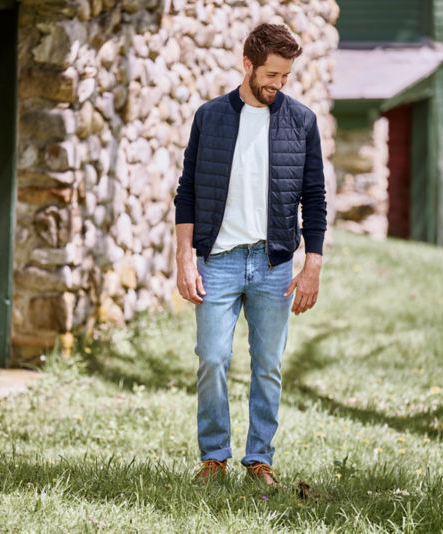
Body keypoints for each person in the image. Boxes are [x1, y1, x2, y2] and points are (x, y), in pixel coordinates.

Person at [173, 23, 327, 486]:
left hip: (273, 264)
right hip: (217, 260)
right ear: (247, 64)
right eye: (272, 75)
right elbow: (188, 192)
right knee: (213, 358)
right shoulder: (210, 117)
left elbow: (315, 198)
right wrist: (184, 256)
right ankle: (214, 457)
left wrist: (312, 264)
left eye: (285, 77)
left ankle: (259, 460)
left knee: (268, 366)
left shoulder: (301, 122)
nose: (278, 85)